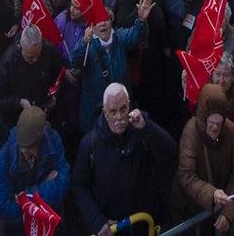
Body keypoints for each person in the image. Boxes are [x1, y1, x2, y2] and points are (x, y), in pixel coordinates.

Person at [72, 84, 174, 236]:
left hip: (145, 224)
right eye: (113, 112)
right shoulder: (90, 144)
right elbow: (79, 186)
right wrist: (97, 221)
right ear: (104, 113)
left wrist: (147, 127)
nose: (119, 117)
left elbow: (170, 151)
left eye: (123, 109)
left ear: (129, 106)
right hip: (114, 227)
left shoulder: (141, 128)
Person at [176, 84, 234, 231]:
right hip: (191, 211)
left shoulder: (229, 130)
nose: (215, 128)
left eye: (219, 123)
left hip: (218, 210)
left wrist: (229, 212)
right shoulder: (191, 132)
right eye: (211, 122)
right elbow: (187, 176)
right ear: (203, 119)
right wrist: (212, 194)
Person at [0, 105, 67, 233]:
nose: (25, 151)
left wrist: (25, 198)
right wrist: (46, 185)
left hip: (50, 225)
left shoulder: (53, 141)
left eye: (31, 147)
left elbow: (63, 182)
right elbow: (4, 207)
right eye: (22, 147)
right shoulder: (4, 159)